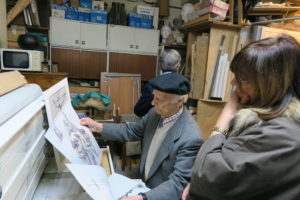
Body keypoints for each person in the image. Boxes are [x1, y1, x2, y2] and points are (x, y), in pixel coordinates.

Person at [182, 34, 300, 200]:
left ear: (271, 83)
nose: (233, 83)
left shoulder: (280, 133)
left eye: (243, 79)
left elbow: (206, 176)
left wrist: (226, 116)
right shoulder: (270, 121)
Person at [81, 73, 203, 200]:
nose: (153, 102)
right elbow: (132, 130)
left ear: (178, 102)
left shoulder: (191, 138)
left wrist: (143, 198)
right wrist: (97, 127)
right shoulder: (155, 114)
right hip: (142, 184)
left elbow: (178, 183)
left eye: (159, 99)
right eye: (154, 96)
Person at [134, 49, 181, 117]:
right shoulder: (183, 86)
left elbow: (138, 111)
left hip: (156, 125)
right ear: (178, 67)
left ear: (160, 66)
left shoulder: (151, 86)